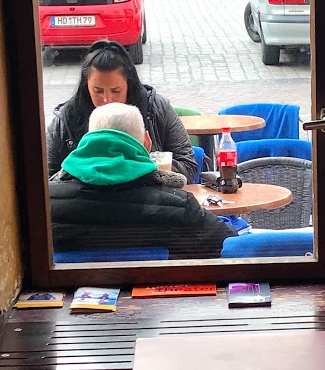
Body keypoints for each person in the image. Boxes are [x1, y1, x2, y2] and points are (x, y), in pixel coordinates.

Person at [49, 103, 228, 259]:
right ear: (147, 142)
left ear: (87, 142)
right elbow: (227, 246)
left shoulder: (45, 205)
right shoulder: (181, 207)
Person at [46, 40, 198, 182]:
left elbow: (188, 166)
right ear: (86, 87)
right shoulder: (66, 119)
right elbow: (45, 179)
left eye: (116, 91)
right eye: (98, 91)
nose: (107, 100)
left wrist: (142, 163)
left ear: (129, 85)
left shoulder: (156, 109)